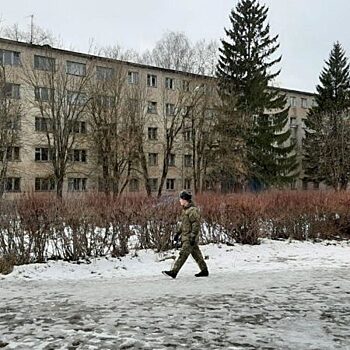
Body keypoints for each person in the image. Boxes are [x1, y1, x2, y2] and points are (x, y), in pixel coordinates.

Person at [162, 190, 209, 279]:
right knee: (197, 255)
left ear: (185, 200)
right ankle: (204, 270)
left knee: (182, 255)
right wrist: (177, 233)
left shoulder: (192, 211)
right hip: (187, 237)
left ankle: (174, 272)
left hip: (189, 237)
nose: (179, 201)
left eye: (180, 199)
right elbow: (184, 224)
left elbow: (196, 224)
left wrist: (192, 236)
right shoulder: (186, 211)